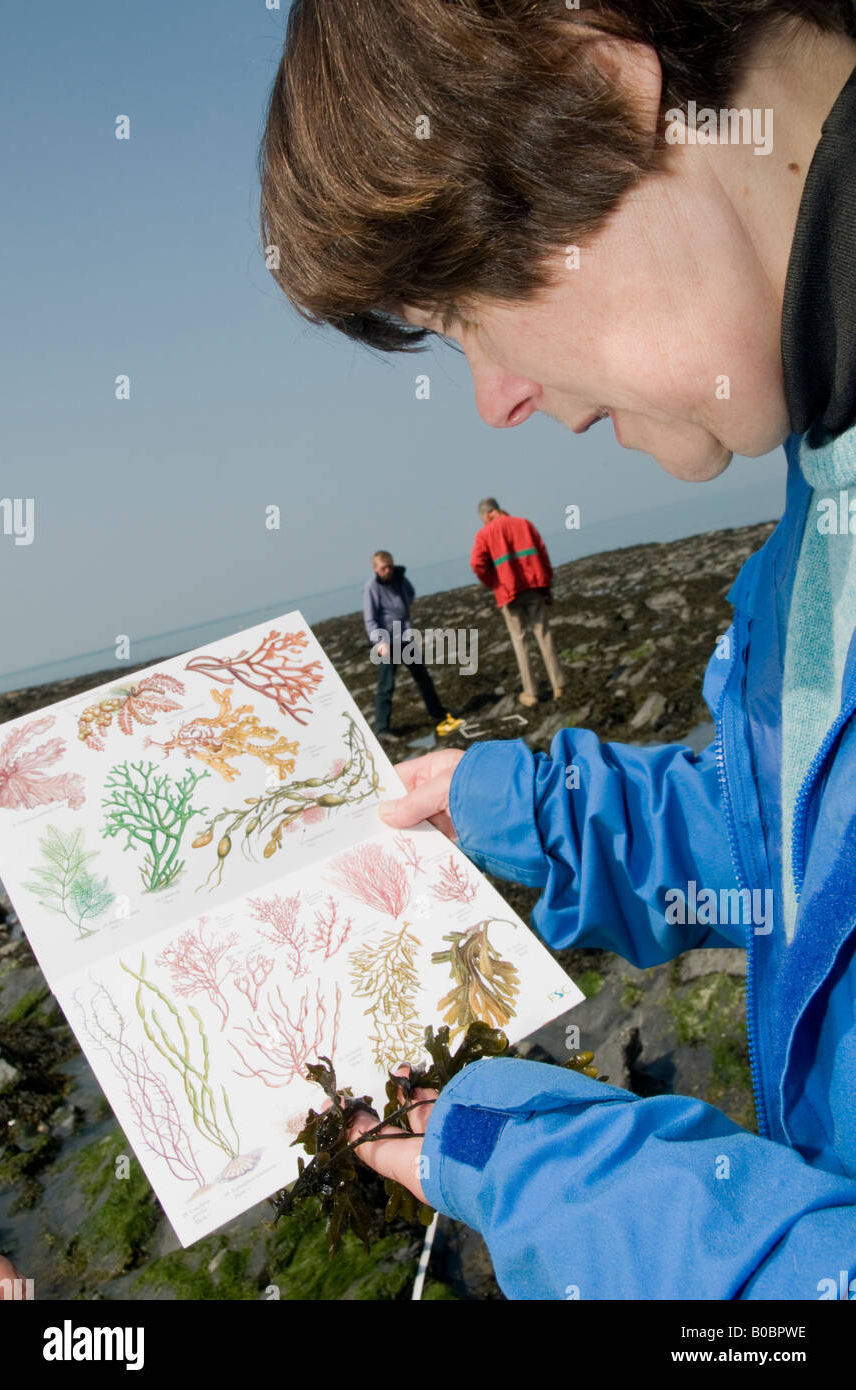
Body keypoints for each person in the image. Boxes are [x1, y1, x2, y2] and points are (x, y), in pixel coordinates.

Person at [261, 0, 856, 1299]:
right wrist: (513, 806)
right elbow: (789, 852)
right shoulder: (823, 514)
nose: (496, 399)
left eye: (465, 316)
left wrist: (560, 1185)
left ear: (596, 98)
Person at [470, 498, 565, 707]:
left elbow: (476, 563)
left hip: (508, 591)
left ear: (488, 515)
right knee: (544, 634)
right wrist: (547, 583)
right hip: (534, 586)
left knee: (520, 641)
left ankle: (531, 693)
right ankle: (558, 685)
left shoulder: (484, 534)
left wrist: (494, 583)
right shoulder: (524, 524)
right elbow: (543, 554)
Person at [363, 550, 462, 743]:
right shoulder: (371, 587)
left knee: (423, 678)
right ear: (375, 568)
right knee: (386, 686)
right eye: (383, 568)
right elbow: (370, 620)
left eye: (390, 566)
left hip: (405, 636)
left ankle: (437, 712)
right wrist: (379, 643)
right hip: (387, 642)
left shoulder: (399, 579)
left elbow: (410, 594)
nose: (388, 570)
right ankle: (382, 729)